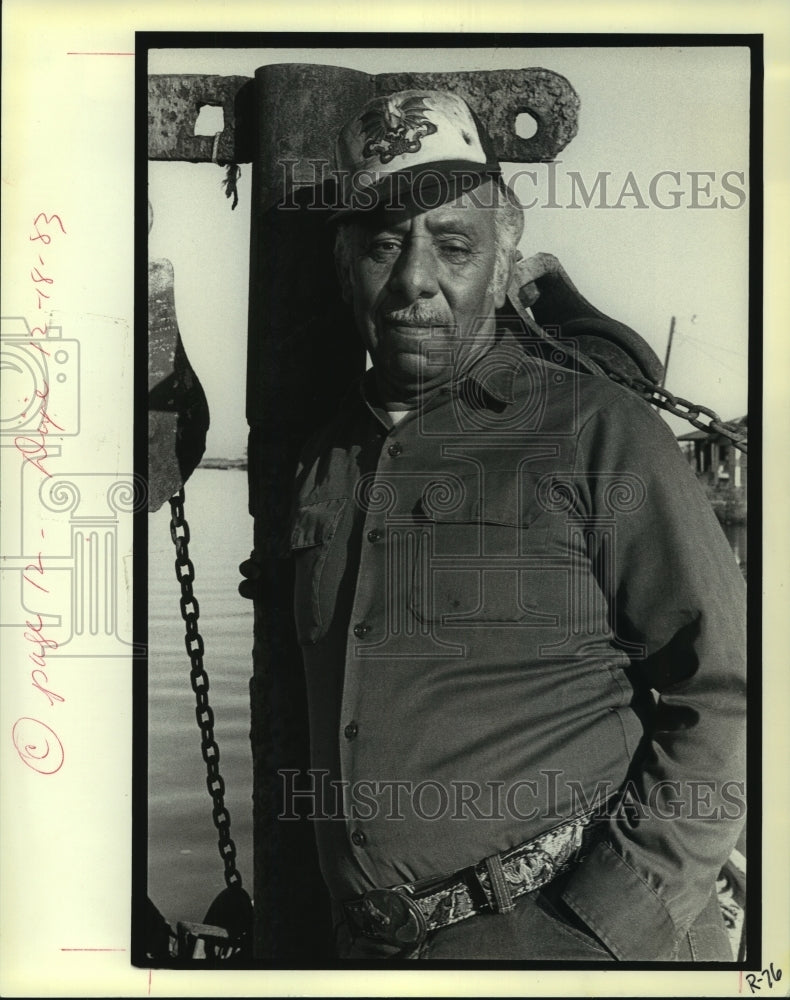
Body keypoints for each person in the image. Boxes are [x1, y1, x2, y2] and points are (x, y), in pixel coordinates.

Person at [287, 89, 746, 961]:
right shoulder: (326, 462)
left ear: (501, 265)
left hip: (570, 941)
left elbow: (730, 683)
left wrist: (622, 917)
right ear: (344, 266)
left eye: (452, 245)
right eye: (384, 245)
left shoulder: (595, 431)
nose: (415, 278)